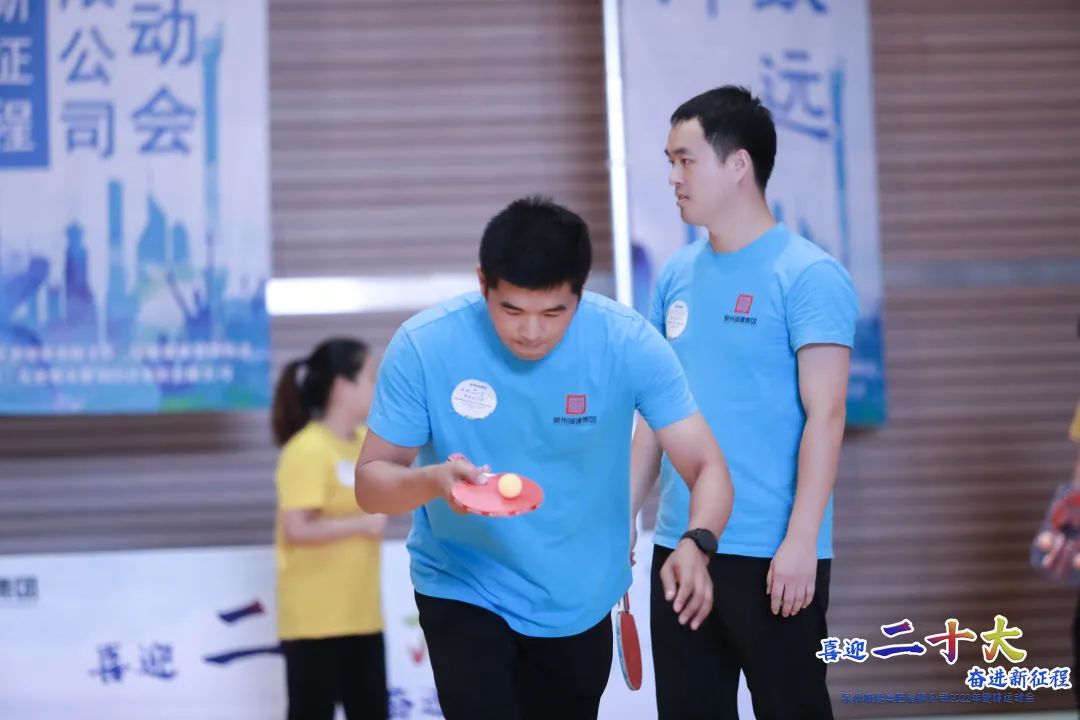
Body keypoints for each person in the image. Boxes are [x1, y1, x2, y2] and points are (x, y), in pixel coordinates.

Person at [354, 196, 734, 720]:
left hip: (578, 596)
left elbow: (707, 467)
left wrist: (698, 543)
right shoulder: (425, 346)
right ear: (483, 283)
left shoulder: (628, 344)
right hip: (463, 582)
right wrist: (434, 481)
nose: (531, 332)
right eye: (511, 310)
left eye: (554, 312)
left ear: (581, 291)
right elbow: (371, 484)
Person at [630, 86, 858, 720]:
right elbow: (653, 412)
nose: (673, 177)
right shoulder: (675, 275)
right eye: (670, 162)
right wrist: (624, 516)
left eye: (686, 160)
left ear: (738, 165)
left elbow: (827, 417)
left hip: (772, 552)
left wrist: (802, 541)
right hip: (682, 548)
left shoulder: (808, 275)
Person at [271, 338, 389, 720]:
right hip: (315, 620)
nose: (377, 387)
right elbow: (297, 528)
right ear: (342, 385)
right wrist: (362, 524)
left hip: (362, 615)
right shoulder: (307, 449)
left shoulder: (365, 443)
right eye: (370, 377)